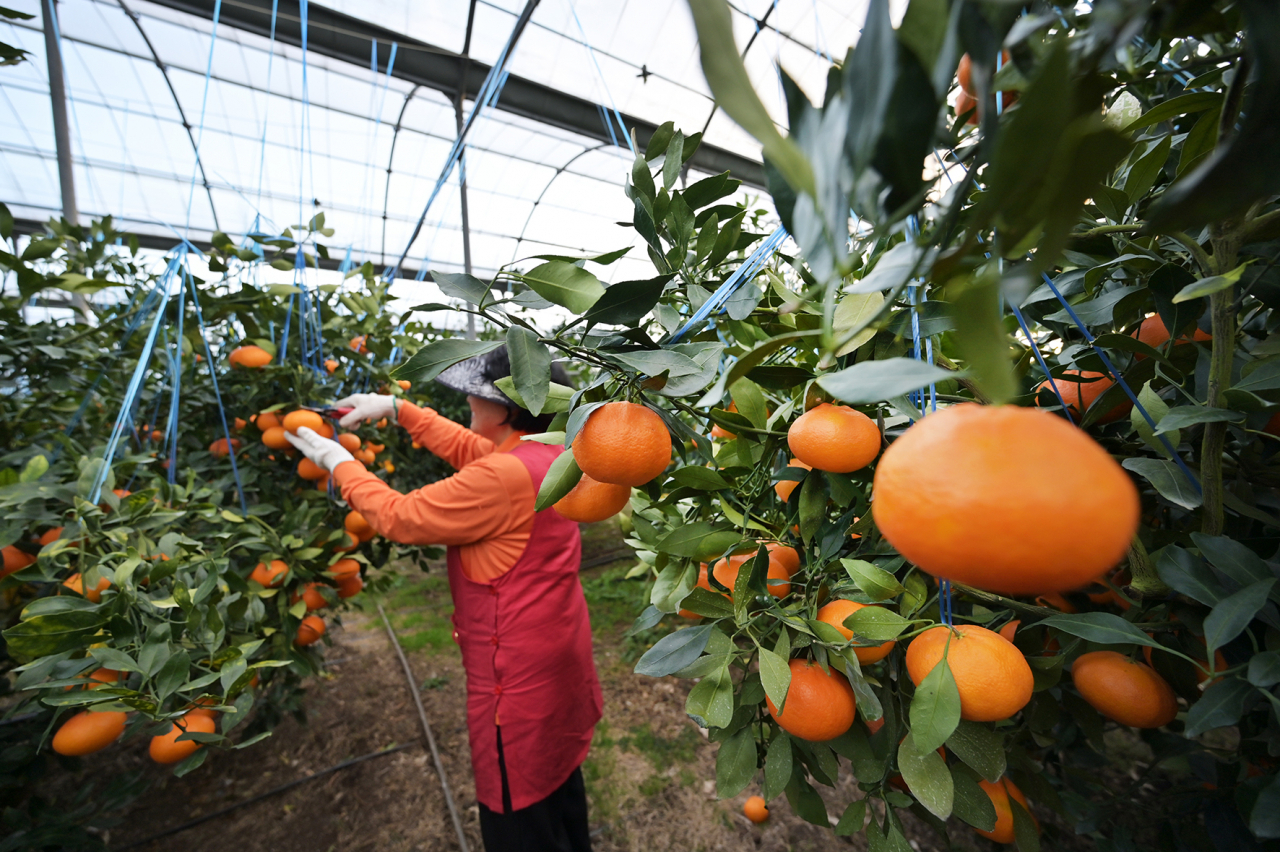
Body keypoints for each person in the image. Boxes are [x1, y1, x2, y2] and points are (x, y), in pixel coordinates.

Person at [286, 347, 601, 852]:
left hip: (513, 677)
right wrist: (397, 409)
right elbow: (472, 449)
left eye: (476, 397)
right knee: (558, 777)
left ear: (503, 408)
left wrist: (338, 463)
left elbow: (400, 516)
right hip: (557, 651)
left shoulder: (500, 477)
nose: (468, 406)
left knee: (519, 810)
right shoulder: (552, 455)